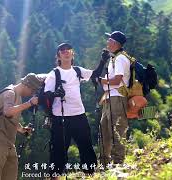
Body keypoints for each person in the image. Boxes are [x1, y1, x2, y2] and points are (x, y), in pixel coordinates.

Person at [44, 43, 108, 178]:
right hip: (60, 118)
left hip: (79, 115)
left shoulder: (77, 71)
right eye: (62, 50)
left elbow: (95, 74)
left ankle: (90, 175)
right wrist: (56, 93)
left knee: (86, 147)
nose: (66, 52)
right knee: (58, 152)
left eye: (69, 50)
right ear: (58, 56)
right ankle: (54, 177)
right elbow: (45, 96)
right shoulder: (53, 74)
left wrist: (103, 60)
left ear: (73, 54)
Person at [0, 73, 44, 180]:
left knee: (11, 175)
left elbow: (10, 119)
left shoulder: (18, 97)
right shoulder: (10, 93)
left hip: (8, 144)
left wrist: (22, 129)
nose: (32, 94)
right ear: (27, 85)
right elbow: (8, 112)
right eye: (32, 91)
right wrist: (30, 103)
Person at [98, 31, 130, 166]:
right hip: (110, 98)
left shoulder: (121, 58)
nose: (107, 42)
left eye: (109, 40)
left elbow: (117, 80)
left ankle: (118, 163)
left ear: (115, 43)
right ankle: (104, 163)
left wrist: (102, 81)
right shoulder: (114, 58)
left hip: (117, 97)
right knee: (104, 129)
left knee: (117, 130)